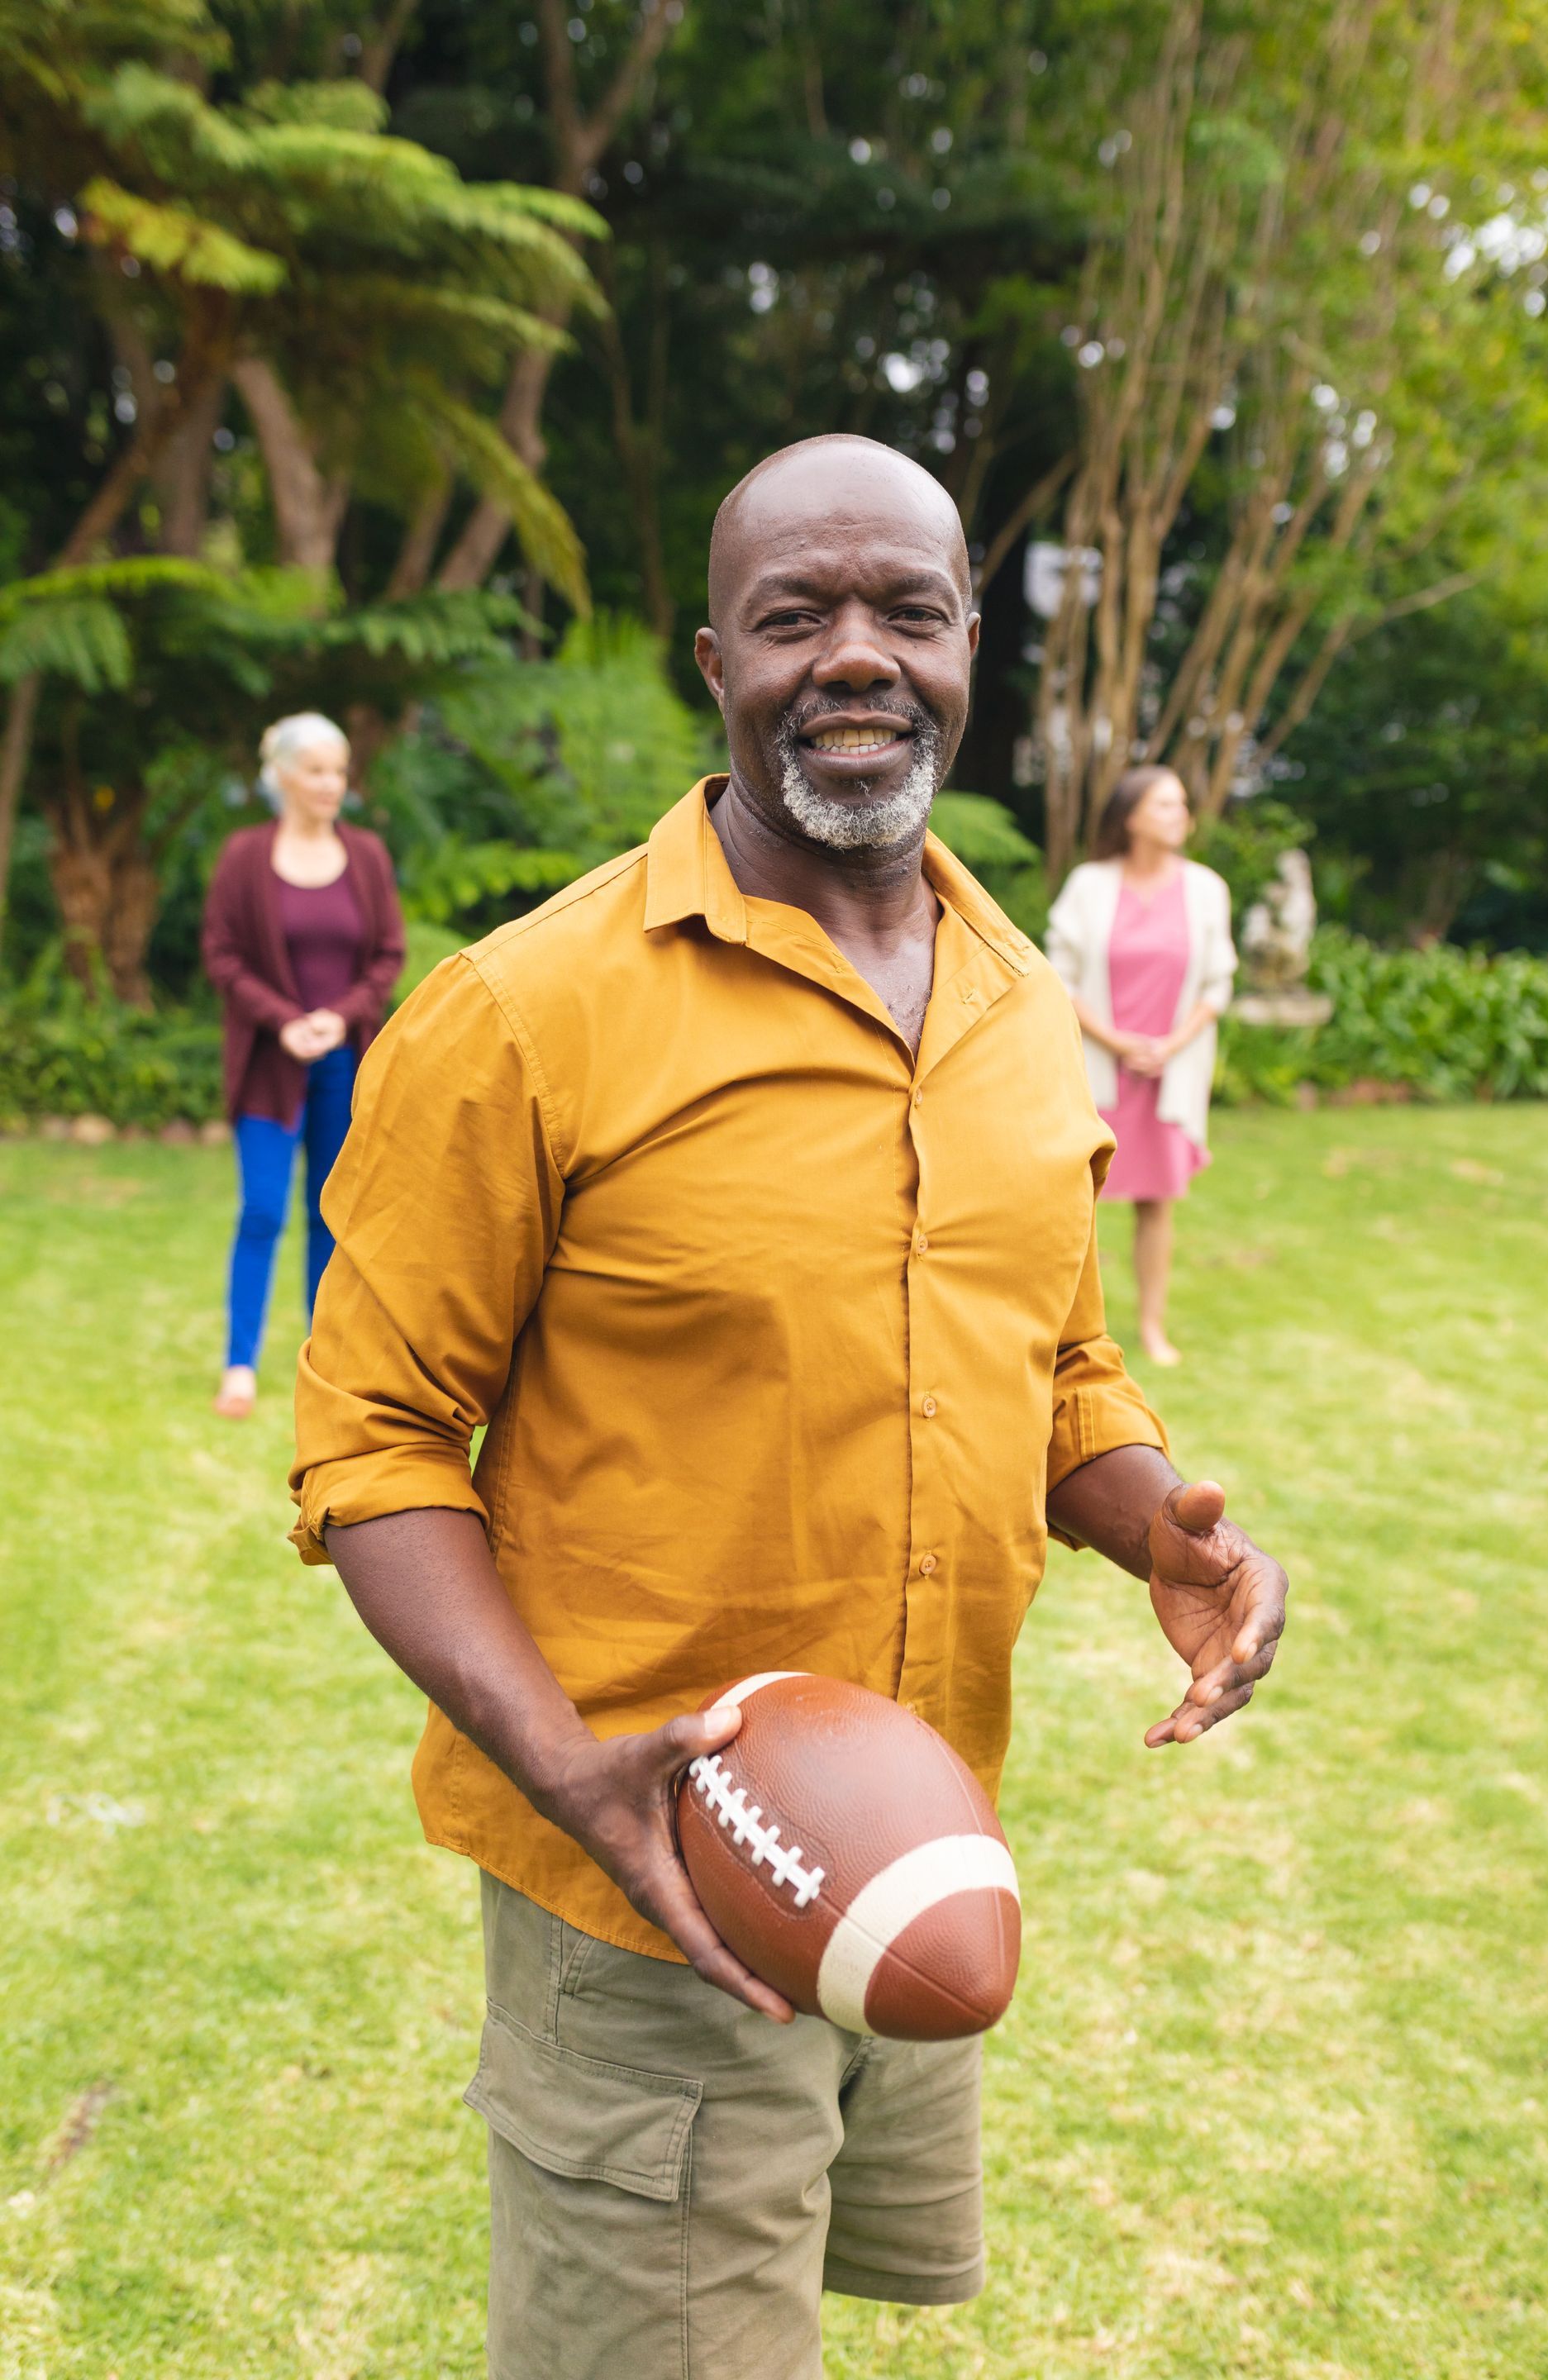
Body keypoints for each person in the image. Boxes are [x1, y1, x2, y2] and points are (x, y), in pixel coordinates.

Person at [290, 439, 1287, 2380]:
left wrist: (1150, 1511)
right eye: (795, 615)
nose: (856, 657)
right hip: (646, 1875)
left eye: (906, 612)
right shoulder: (527, 1012)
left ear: (971, 647)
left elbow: (1053, 1349)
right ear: (711, 659)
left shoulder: (1013, 994)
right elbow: (375, 1442)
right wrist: (565, 1761)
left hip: (903, 1840)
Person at [202, 713, 404, 1419]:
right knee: (261, 1210)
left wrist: (337, 1017)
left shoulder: (369, 856)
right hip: (269, 1065)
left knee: (332, 1215)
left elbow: (387, 956)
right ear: (282, 775)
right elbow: (222, 954)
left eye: (339, 771)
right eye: (317, 770)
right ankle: (240, 1367)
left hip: (344, 1062)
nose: (330, 785)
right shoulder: (243, 858)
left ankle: (322, 1361)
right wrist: (283, 1022)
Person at [1045, 767, 1236, 1367]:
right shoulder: (1088, 885)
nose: (1181, 814)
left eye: (1183, 804)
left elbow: (1218, 982)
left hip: (1168, 1074)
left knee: (1158, 1203)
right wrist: (1119, 1042)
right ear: (1129, 817)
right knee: (1080, 1204)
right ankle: (1069, 1332)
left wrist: (1171, 1045)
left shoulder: (1206, 888)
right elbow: (1059, 976)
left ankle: (1152, 1327)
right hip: (1099, 1069)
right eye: (1164, 805)